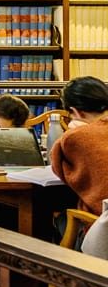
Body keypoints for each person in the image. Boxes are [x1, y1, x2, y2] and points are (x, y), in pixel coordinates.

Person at [51, 76, 108, 214]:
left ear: (76, 112)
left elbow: (57, 166)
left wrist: (74, 131)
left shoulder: (78, 137)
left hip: (101, 225)